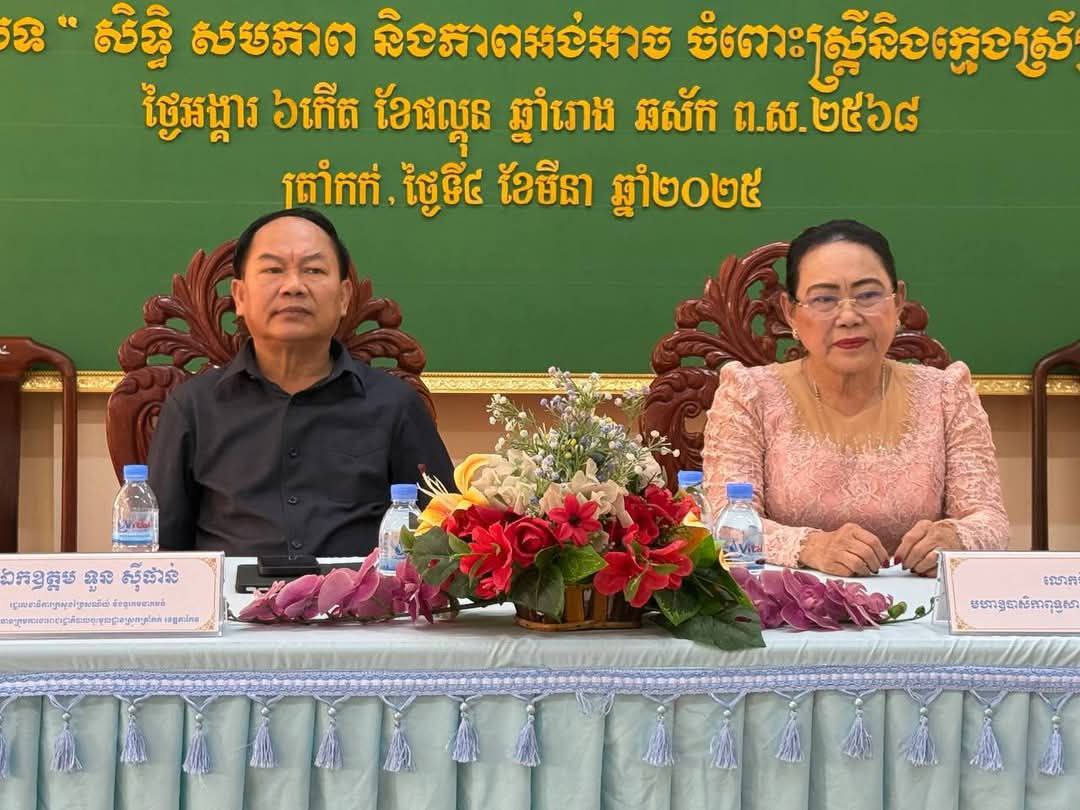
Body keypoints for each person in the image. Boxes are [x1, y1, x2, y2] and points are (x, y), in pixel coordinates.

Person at [702, 219, 1009, 577]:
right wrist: (810, 546)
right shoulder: (750, 395)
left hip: (918, 603)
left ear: (898, 302)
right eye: (824, 299)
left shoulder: (946, 394)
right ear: (790, 312)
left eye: (868, 295)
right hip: (789, 602)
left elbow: (990, 521)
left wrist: (957, 538)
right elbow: (724, 525)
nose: (848, 316)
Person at [148, 208, 454, 556]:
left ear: (343, 297)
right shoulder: (192, 407)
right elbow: (160, 550)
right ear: (240, 296)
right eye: (273, 270)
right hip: (231, 591)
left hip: (362, 591)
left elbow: (445, 540)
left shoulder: (395, 404)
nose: (293, 286)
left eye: (313, 270)